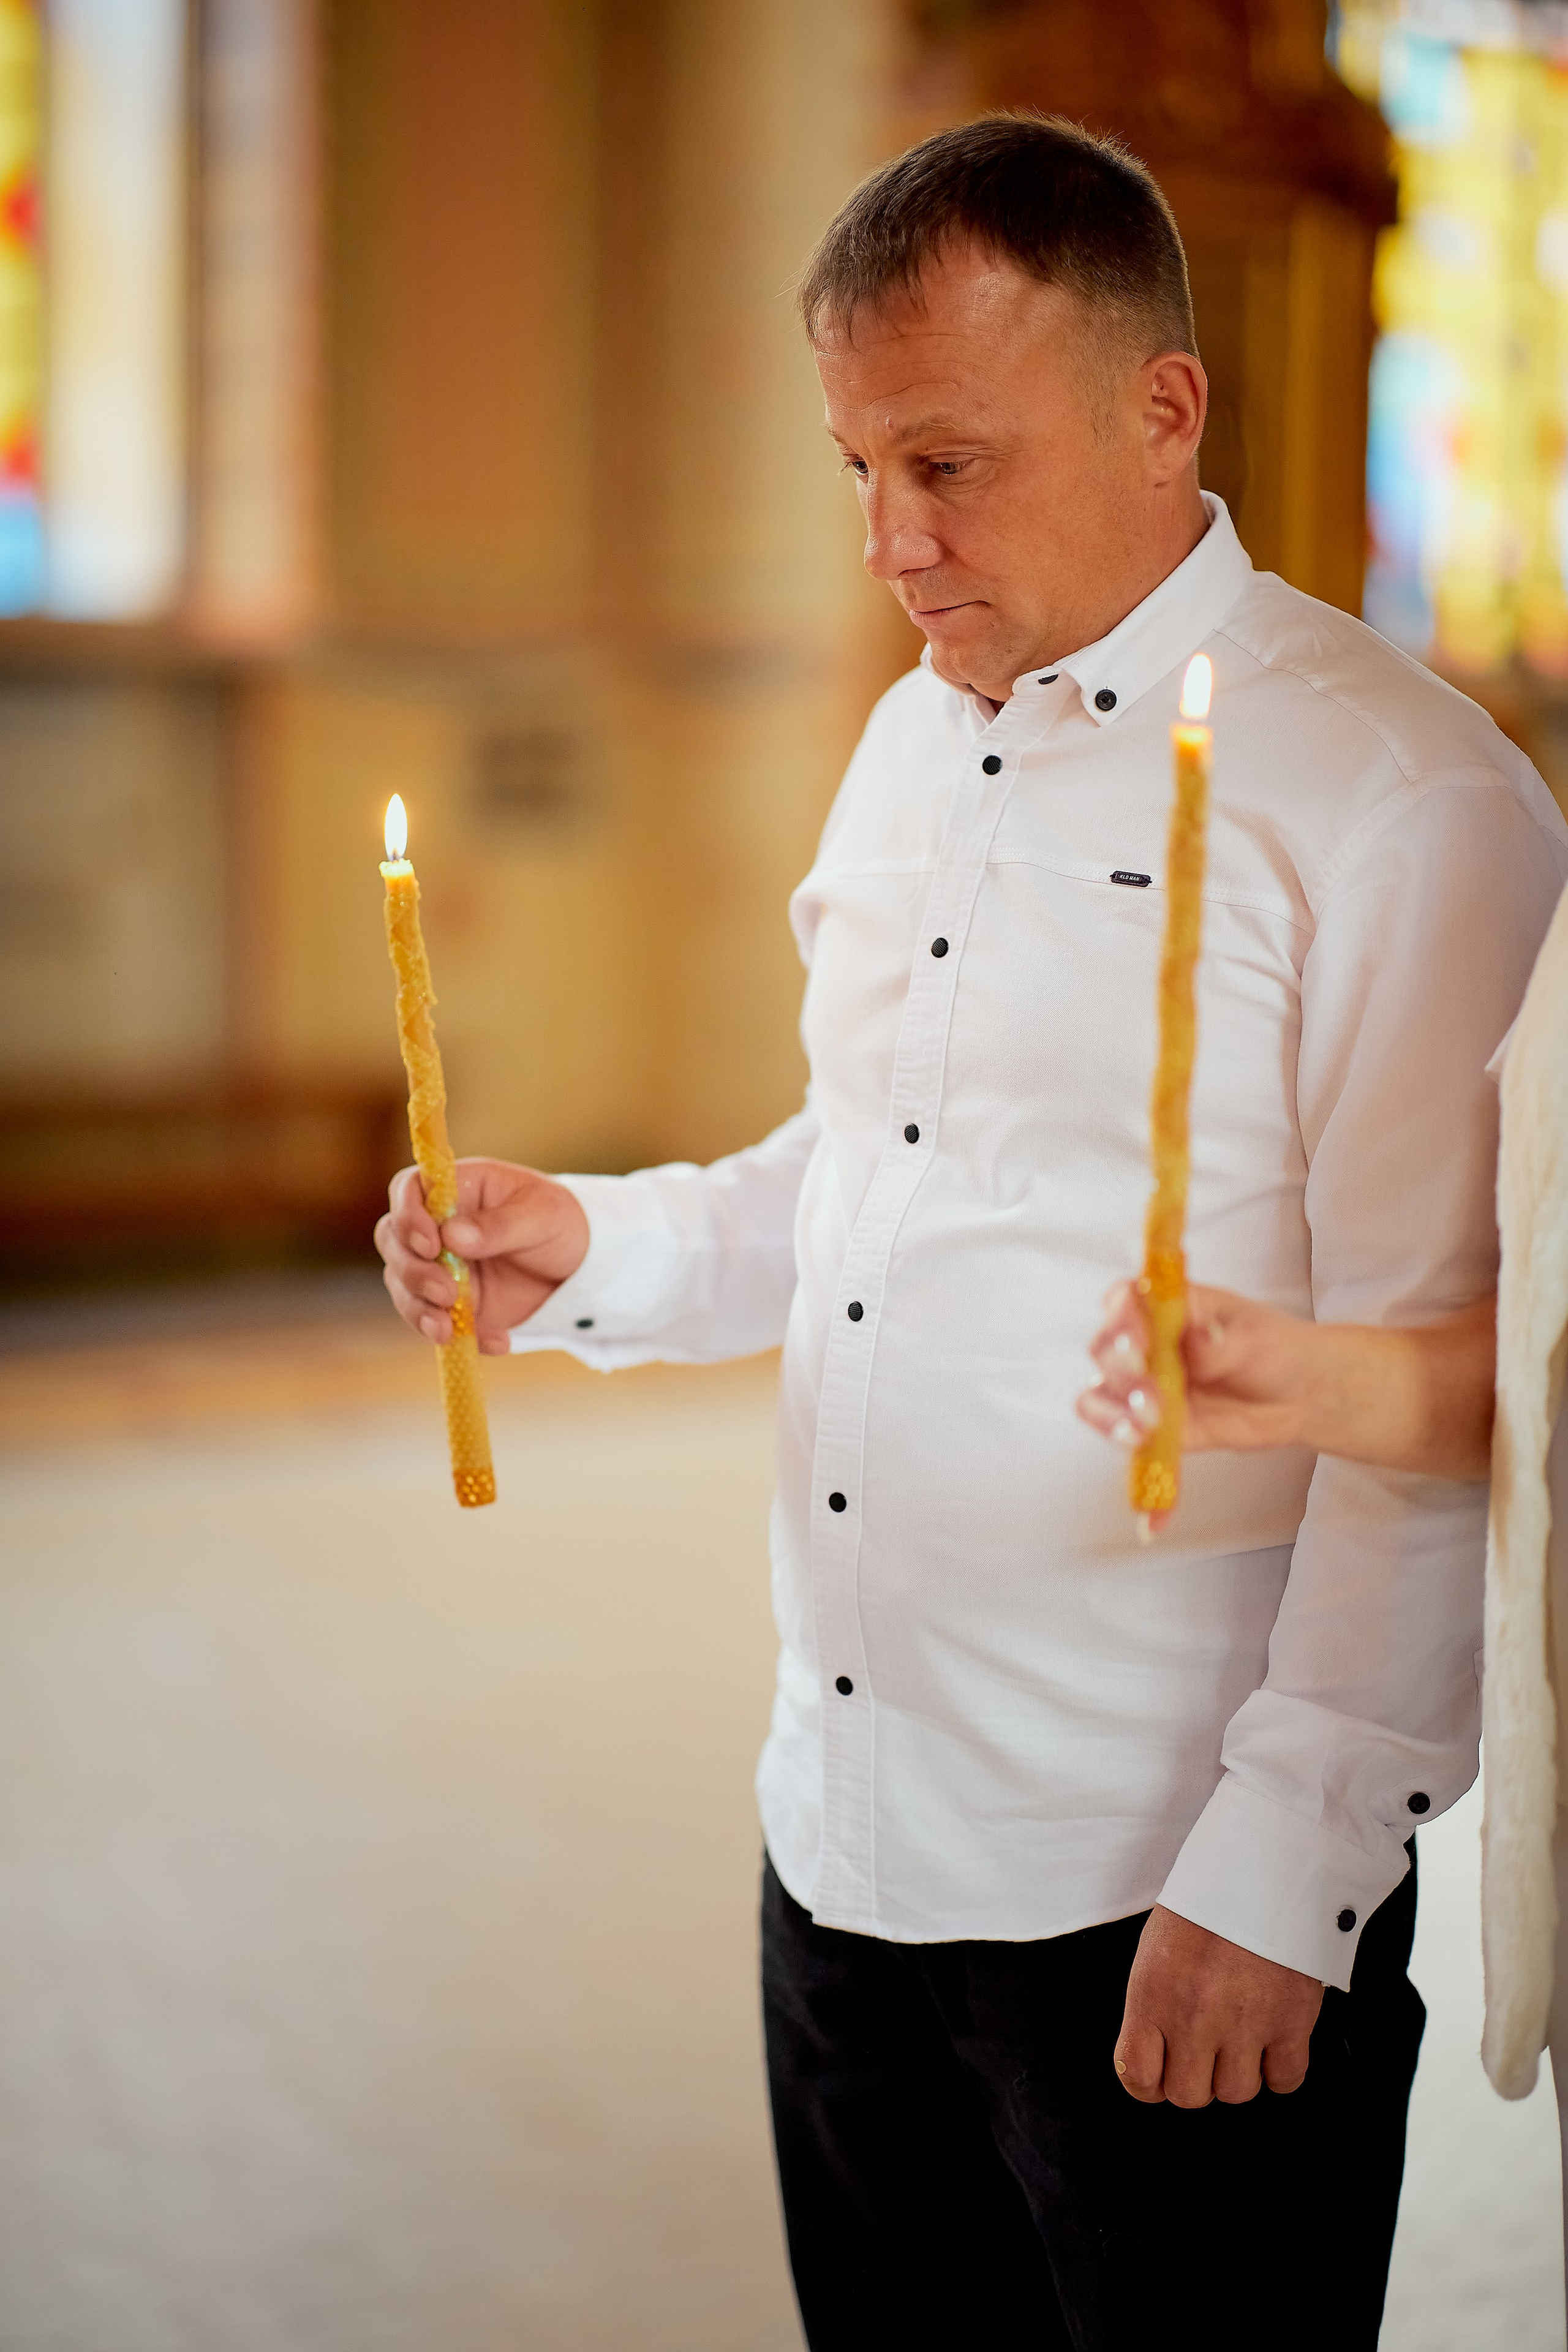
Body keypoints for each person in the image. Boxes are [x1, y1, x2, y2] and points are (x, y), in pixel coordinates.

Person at [374, 115, 1568, 2350]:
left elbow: (1461, 1383)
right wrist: (603, 1251)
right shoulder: (920, 743)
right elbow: (865, 1179)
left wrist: (1291, 1869)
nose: (887, 543)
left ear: (1162, 405)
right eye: (855, 467)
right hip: (836, 1838)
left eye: (945, 462)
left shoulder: (1404, 803)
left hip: (1160, 1892)